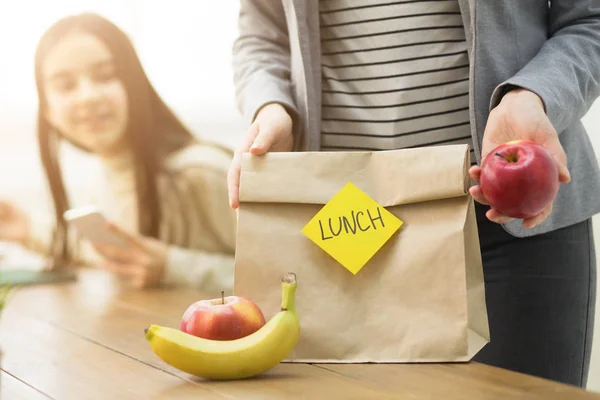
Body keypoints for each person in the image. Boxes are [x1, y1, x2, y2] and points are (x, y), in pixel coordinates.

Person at [229, 0, 600, 388]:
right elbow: (261, 36)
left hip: (507, 225)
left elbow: (589, 20)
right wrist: (270, 107)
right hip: (344, 227)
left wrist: (532, 95)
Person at [0, 13, 236, 292]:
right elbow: (108, 254)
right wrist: (26, 229)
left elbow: (293, 274)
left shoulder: (202, 172)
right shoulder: (101, 177)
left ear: (136, 85)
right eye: (65, 85)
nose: (88, 95)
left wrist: (173, 266)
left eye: (105, 76)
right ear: (48, 111)